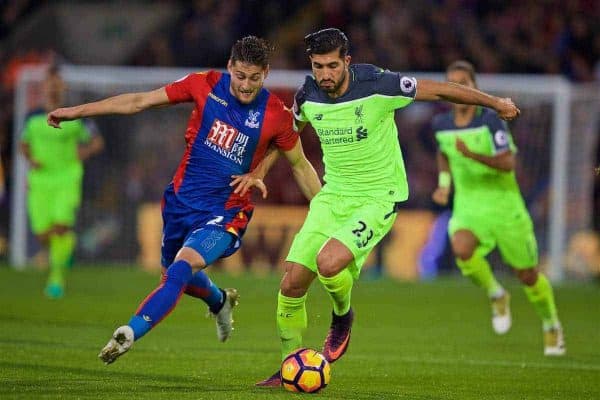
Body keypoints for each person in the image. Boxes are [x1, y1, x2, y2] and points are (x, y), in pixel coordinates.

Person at [256, 28, 521, 386]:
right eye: (318, 66)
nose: (325, 74)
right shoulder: (308, 96)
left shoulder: (378, 84)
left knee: (328, 263)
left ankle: (342, 316)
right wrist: (258, 171)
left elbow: (439, 89)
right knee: (290, 284)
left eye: (332, 66)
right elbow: (286, 136)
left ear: (347, 61)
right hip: (333, 196)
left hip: (378, 197)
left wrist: (494, 102)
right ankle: (289, 367)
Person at [47, 36, 322, 364]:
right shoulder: (203, 85)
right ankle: (220, 301)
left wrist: (325, 213)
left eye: (255, 78)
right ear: (230, 67)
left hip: (226, 211)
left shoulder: (275, 114)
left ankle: (130, 332)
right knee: (178, 277)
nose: (246, 86)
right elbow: (138, 101)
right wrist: (76, 112)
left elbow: (300, 165)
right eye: (240, 76)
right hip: (180, 203)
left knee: (180, 269)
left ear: (266, 73)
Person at [430, 60, 565, 356]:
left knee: (528, 275)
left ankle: (551, 325)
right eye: (452, 83)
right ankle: (496, 292)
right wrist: (443, 184)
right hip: (469, 205)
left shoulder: (490, 120)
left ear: (474, 87)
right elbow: (443, 152)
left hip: (505, 207)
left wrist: (473, 155)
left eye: (462, 82)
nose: (457, 89)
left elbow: (508, 163)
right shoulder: (440, 124)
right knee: (462, 248)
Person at [21, 65, 104, 299]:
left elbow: (97, 142)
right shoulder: (32, 116)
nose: (53, 87)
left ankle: (56, 278)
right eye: (50, 83)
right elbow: (23, 143)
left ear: (63, 87)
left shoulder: (74, 115)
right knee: (43, 235)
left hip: (67, 177)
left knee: (60, 226)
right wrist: (31, 159)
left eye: (57, 83)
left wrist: (82, 153)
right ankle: (66, 246)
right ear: (44, 87)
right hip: (40, 180)